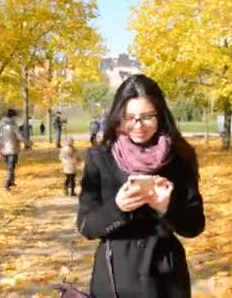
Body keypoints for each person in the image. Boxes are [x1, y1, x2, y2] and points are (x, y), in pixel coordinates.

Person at [76, 74, 205, 297]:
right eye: (129, 117)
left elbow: (195, 225)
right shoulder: (100, 157)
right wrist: (118, 208)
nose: (138, 126)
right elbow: (86, 225)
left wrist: (167, 208)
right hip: (115, 275)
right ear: (117, 117)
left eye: (147, 117)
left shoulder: (181, 156)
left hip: (165, 276)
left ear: (161, 115)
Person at [0, 108, 26, 191]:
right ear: (13, 117)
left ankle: (11, 181)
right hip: (12, 149)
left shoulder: (1, 125)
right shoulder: (13, 126)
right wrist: (29, 143)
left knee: (10, 166)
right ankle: (6, 185)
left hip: (3, 149)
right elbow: (20, 137)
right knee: (10, 167)